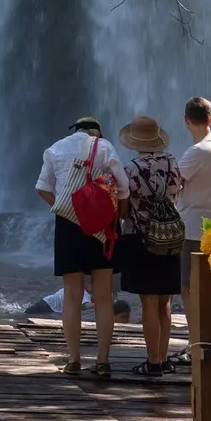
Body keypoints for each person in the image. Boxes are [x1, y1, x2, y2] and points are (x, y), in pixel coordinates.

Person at [36, 116, 126, 377]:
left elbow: (42, 188)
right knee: (104, 296)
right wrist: (117, 214)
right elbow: (124, 186)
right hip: (102, 224)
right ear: (96, 132)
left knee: (72, 295)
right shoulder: (105, 147)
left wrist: (64, 209)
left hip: (68, 224)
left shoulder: (55, 148)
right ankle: (102, 362)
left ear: (75, 130)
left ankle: (73, 360)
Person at [114, 116, 184, 377]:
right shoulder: (172, 162)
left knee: (149, 302)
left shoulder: (130, 169)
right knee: (165, 299)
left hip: (141, 238)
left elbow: (123, 208)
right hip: (170, 235)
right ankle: (164, 358)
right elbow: (177, 193)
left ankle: (153, 361)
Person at [175, 98, 211, 304]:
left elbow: (172, 184)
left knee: (186, 285)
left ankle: (193, 330)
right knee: (199, 282)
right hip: (206, 224)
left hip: (189, 225)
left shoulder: (197, 152)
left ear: (186, 121)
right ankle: (199, 327)